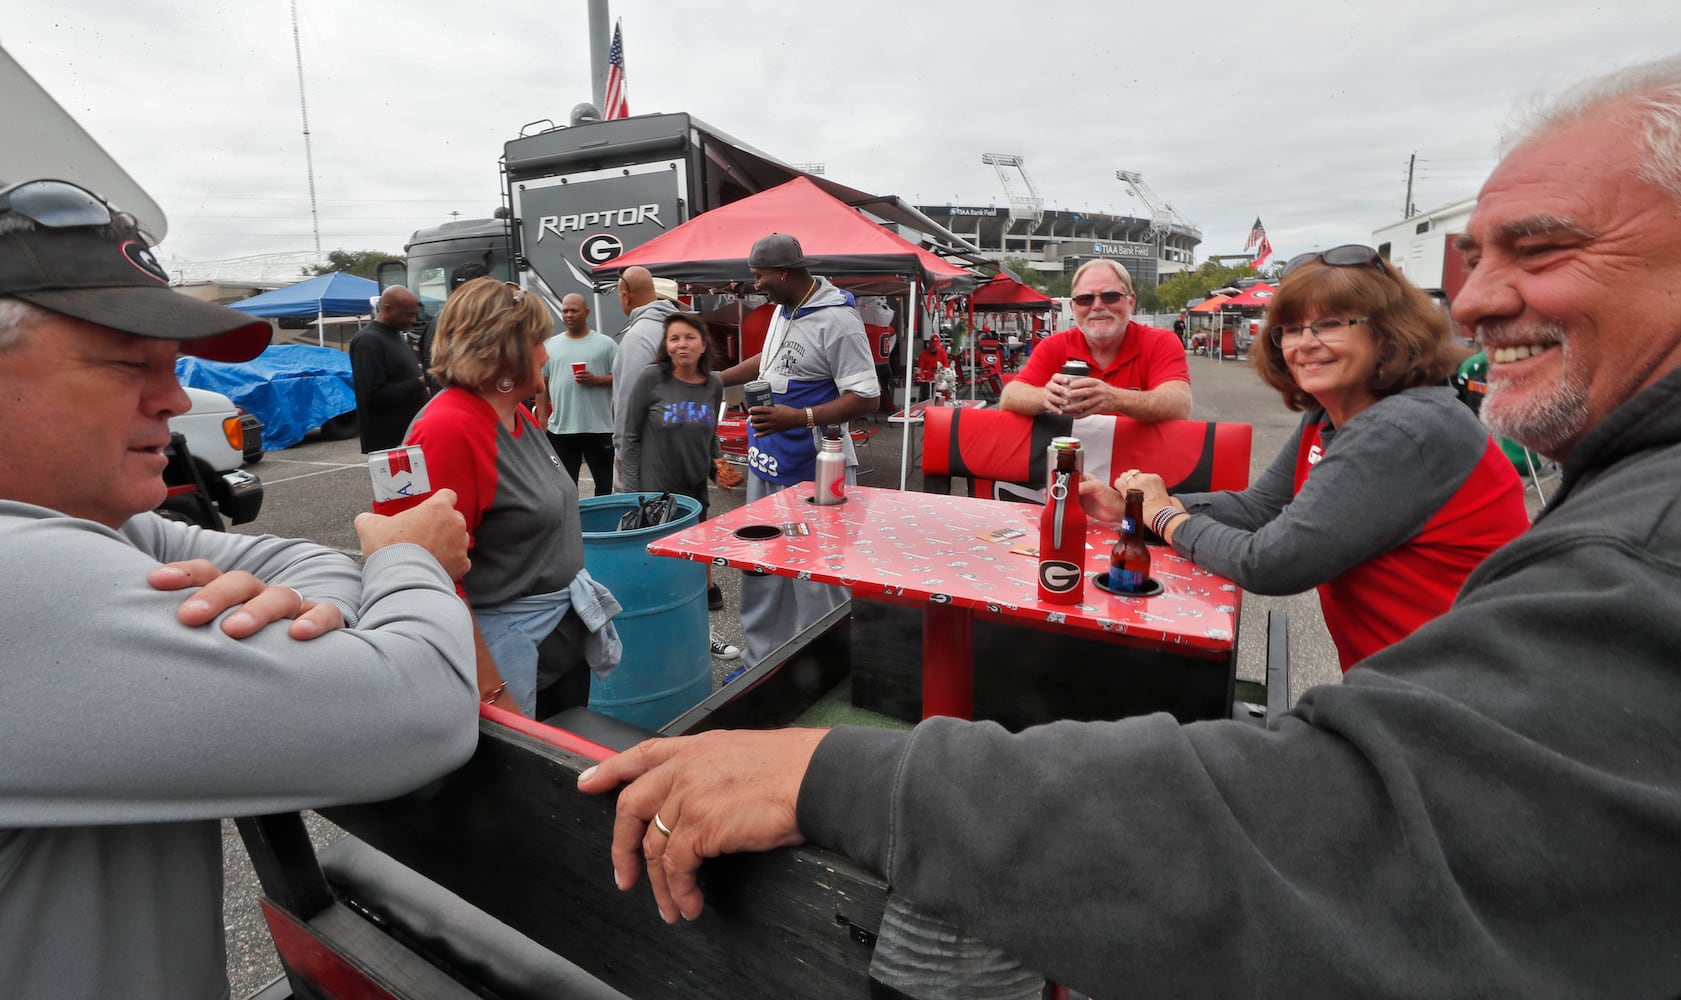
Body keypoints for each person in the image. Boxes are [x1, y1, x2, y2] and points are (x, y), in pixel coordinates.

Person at [579, 55, 1681, 996]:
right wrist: (1141, 496)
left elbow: (1265, 549)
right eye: (1476, 259)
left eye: (1538, 251)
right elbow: (1193, 482)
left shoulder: (1418, 440)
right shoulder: (1343, 431)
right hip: (1292, 641)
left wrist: (1150, 497)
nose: (1481, 297)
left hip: (1372, 719)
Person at [0, 178, 478, 998]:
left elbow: (302, 562)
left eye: (171, 367)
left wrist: (317, 599)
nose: (175, 399)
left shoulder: (89, 523)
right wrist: (409, 557)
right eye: (127, 364)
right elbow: (422, 710)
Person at [1079, 247, 1529, 669]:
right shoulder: (1330, 411)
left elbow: (1269, 563)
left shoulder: (1402, 426)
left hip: (1469, 693)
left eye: (1331, 323)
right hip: (1402, 679)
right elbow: (1261, 508)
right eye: (1291, 329)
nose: (1304, 343)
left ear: (1388, 332)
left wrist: (1164, 520)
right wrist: (1135, 510)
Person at [407, 276, 620, 718]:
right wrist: (491, 689)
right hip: (506, 662)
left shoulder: (515, 410)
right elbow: (430, 577)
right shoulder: (449, 427)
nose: (546, 353)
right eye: (538, 341)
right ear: (502, 351)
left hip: (555, 649)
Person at [717, 233, 880, 667]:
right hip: (766, 459)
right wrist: (718, 380)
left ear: (784, 272)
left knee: (816, 574)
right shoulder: (784, 309)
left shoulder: (838, 320)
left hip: (815, 468)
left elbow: (867, 397)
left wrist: (800, 416)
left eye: (759, 276)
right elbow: (769, 363)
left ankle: (823, 669)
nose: (755, 285)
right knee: (761, 563)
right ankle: (760, 665)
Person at [620, 311, 743, 659]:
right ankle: (661, 645)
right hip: (657, 494)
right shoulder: (651, 379)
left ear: (703, 344)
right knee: (663, 575)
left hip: (695, 494)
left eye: (689, 337)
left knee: (691, 574)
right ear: (666, 345)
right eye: (674, 338)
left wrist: (719, 468)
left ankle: (701, 638)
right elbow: (629, 438)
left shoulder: (713, 384)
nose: (681, 344)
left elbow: (708, 435)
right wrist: (632, 495)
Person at [1000, 259, 1192, 421]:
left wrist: (1115, 399)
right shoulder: (1054, 345)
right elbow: (1010, 396)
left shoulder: (1161, 341)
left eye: (1110, 296)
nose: (1098, 306)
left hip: (1141, 462)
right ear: (1074, 307)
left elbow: (1179, 403)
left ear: (1131, 301)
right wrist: (1044, 397)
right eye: (1085, 299)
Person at [535, 292, 616, 496]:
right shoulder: (550, 345)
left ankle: (602, 526)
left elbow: (623, 378)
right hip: (561, 430)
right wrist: (543, 419)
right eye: (565, 310)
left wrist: (597, 380)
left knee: (604, 486)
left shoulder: (605, 344)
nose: (569, 314)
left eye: (574, 310)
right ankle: (573, 526)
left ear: (586, 312)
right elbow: (541, 384)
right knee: (565, 488)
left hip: (598, 428)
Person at [610, 265, 681, 488]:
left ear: (625, 295)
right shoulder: (684, 331)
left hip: (649, 454)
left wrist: (623, 451)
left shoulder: (638, 338)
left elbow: (629, 403)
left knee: (646, 519)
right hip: (682, 447)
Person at [349, 284, 428, 452]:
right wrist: (419, 382)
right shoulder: (368, 341)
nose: (413, 320)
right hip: (389, 445)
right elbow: (373, 395)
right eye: (409, 314)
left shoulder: (394, 334)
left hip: (407, 438)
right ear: (387, 309)